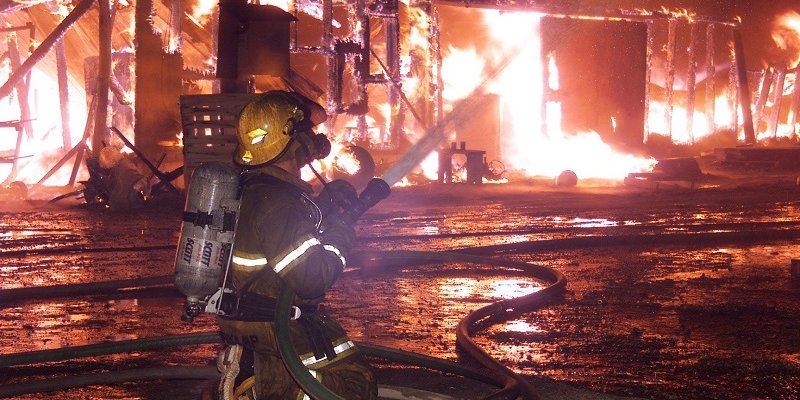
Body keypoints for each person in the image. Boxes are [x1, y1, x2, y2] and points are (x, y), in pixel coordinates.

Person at [215, 90, 377, 400]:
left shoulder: (255, 190)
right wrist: (341, 231)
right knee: (354, 384)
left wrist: (323, 207)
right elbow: (312, 280)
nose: (315, 141)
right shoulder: (278, 203)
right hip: (276, 333)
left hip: (251, 327)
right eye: (309, 132)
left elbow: (281, 241)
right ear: (295, 141)